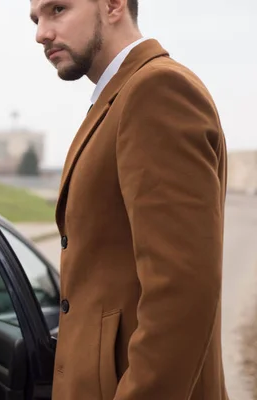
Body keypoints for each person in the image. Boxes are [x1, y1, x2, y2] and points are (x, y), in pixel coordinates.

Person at [29, 0, 229, 399]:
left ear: (114, 5)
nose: (41, 33)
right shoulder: (117, 98)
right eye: (37, 19)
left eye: (58, 9)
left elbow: (182, 292)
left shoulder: (156, 90)